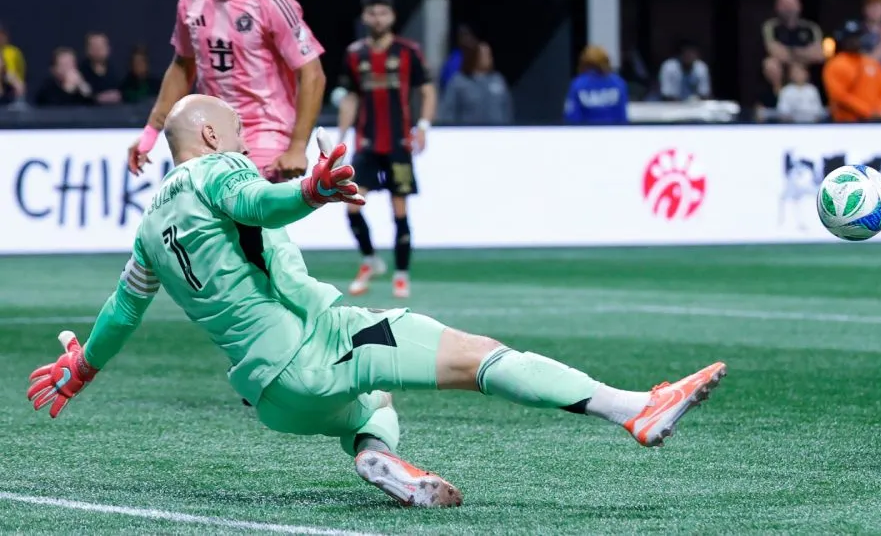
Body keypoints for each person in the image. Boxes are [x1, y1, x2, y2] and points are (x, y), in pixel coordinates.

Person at [27, 94, 727, 508]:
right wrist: (309, 192)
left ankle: (374, 456)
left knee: (376, 405)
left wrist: (82, 367)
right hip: (317, 343)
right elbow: (259, 202)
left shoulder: (149, 229)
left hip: (270, 398)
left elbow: (122, 311)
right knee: (482, 356)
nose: (243, 141)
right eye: (235, 130)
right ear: (211, 136)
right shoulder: (219, 169)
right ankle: (633, 408)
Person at [127, 0, 327, 183]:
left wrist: (297, 147)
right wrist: (150, 134)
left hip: (265, 134)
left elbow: (312, 73)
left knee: (245, 203)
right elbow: (182, 66)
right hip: (213, 134)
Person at [337, 0, 438, 299]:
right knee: (351, 207)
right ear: (364, 17)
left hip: (398, 144)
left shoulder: (408, 52)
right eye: (372, 13)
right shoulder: (355, 54)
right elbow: (351, 97)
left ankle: (402, 275)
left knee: (400, 210)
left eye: (383, 13)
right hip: (366, 144)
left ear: (392, 17)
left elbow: (427, 90)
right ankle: (370, 260)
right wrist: (340, 138)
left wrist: (423, 127)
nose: (378, 19)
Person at [821, 20, 881, 122]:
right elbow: (839, 96)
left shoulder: (872, 63)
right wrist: (866, 111)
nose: (855, 41)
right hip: (845, 122)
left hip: (874, 121)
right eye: (851, 38)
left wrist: (879, 110)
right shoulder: (835, 64)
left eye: (858, 37)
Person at [563, 45, 629, 124]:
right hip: (612, 131)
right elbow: (622, 117)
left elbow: (572, 118)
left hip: (586, 131)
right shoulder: (618, 83)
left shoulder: (578, 84)